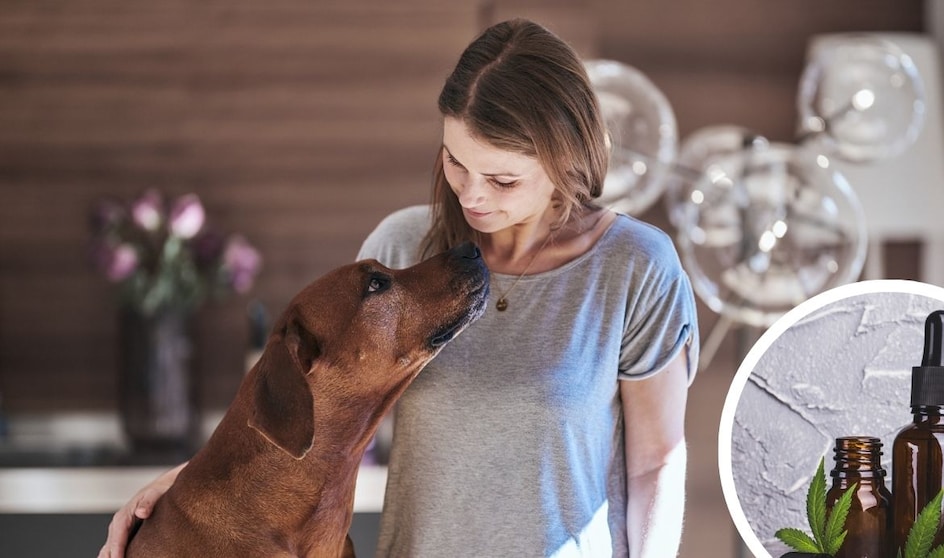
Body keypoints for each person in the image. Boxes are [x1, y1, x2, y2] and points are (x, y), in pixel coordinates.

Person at [99, 18, 698, 558]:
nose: (473, 196)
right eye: (456, 162)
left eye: (503, 178)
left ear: (566, 160)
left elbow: (656, 464)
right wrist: (185, 482)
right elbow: (320, 425)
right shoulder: (402, 249)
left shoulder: (635, 268)